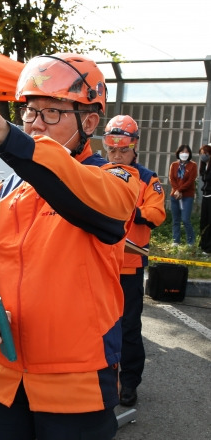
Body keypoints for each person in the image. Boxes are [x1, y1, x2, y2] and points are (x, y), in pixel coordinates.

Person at [0, 54, 140, 439]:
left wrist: (5, 136)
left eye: (51, 113)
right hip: (3, 379)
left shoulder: (116, 180)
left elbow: (92, 202)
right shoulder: (4, 190)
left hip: (75, 387)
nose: (36, 123)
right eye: (29, 112)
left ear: (89, 122)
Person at [103, 115, 166, 407]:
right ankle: (99, 378)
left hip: (129, 266)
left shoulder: (147, 178)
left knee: (128, 327)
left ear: (134, 145)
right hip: (99, 263)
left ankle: (128, 383)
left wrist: (128, 208)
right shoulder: (98, 171)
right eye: (112, 149)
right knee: (96, 324)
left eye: (123, 149)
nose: (117, 155)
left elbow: (156, 214)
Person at [169, 144, 197, 246]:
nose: (184, 154)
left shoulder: (193, 165)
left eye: (186, 152)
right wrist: (176, 190)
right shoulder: (174, 165)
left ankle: (191, 241)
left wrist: (180, 190)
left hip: (187, 196)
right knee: (175, 220)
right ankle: (176, 240)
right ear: (178, 153)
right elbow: (172, 179)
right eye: (182, 152)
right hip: (175, 195)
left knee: (185, 219)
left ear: (189, 154)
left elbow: (190, 180)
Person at [199, 143, 211, 254]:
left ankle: (208, 248)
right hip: (205, 195)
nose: (204, 155)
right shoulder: (204, 166)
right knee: (203, 222)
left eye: (206, 153)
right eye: (202, 153)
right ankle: (203, 245)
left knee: (209, 223)